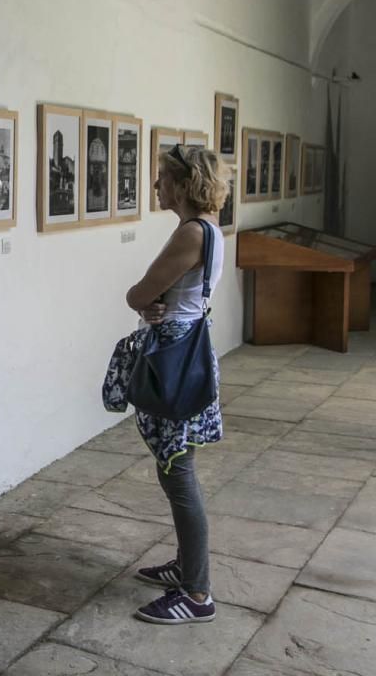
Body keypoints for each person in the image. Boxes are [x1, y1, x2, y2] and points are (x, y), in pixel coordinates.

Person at [125, 145, 228, 625]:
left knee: (178, 472)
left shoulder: (190, 233)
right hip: (188, 352)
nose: (156, 186)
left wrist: (144, 302)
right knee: (176, 468)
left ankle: (198, 594)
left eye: (163, 178)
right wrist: (151, 304)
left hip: (174, 359)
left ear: (185, 185)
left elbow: (139, 292)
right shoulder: (210, 228)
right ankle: (188, 568)